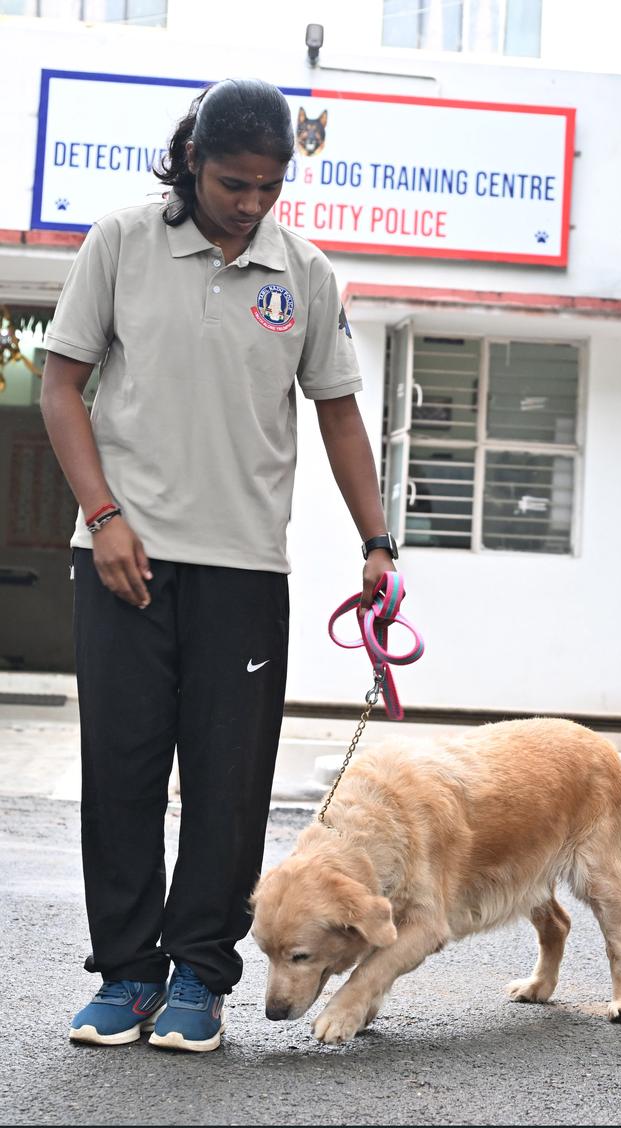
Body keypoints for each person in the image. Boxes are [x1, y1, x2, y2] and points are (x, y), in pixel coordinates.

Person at [41, 78, 400, 1052]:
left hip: (244, 570)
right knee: (120, 773)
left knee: (227, 785)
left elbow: (336, 410)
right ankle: (125, 975)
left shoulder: (305, 273)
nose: (249, 203)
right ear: (192, 159)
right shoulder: (120, 242)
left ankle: (200, 975)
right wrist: (102, 514)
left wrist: (377, 541)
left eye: (269, 185)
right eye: (233, 183)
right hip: (123, 559)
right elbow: (61, 382)